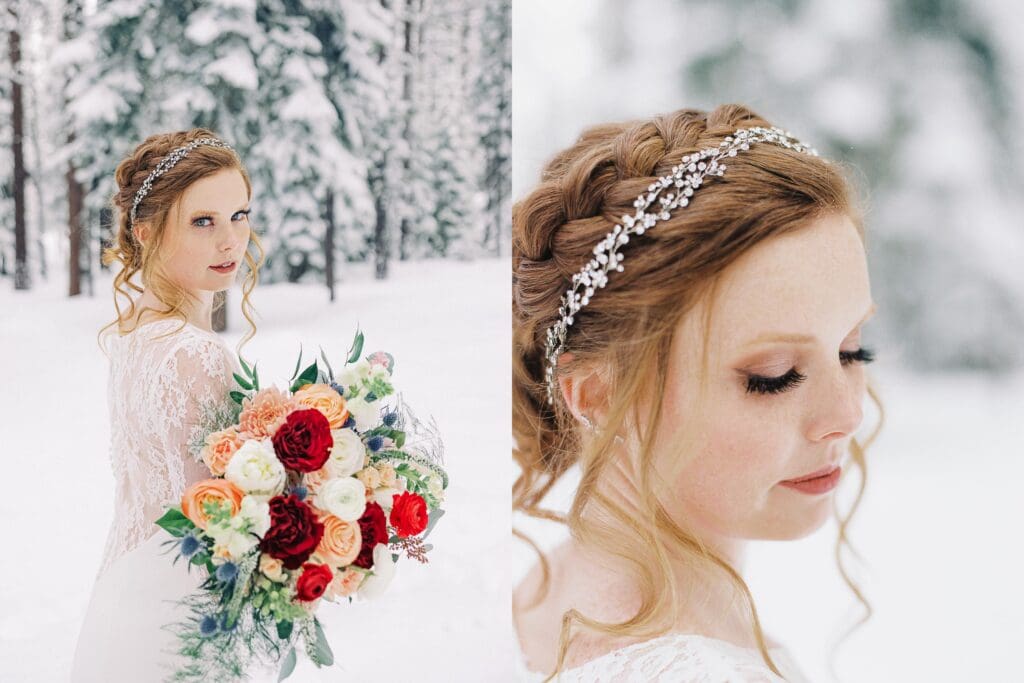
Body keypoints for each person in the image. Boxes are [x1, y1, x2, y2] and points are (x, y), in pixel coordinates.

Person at [512, 105, 880, 681]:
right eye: (774, 376)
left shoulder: (545, 590)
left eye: (852, 349)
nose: (847, 414)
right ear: (597, 395)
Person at [71, 129, 264, 681]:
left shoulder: (135, 336)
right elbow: (236, 514)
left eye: (239, 215)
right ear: (147, 232)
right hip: (184, 617)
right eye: (203, 221)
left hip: (122, 598)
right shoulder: (196, 352)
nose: (231, 241)